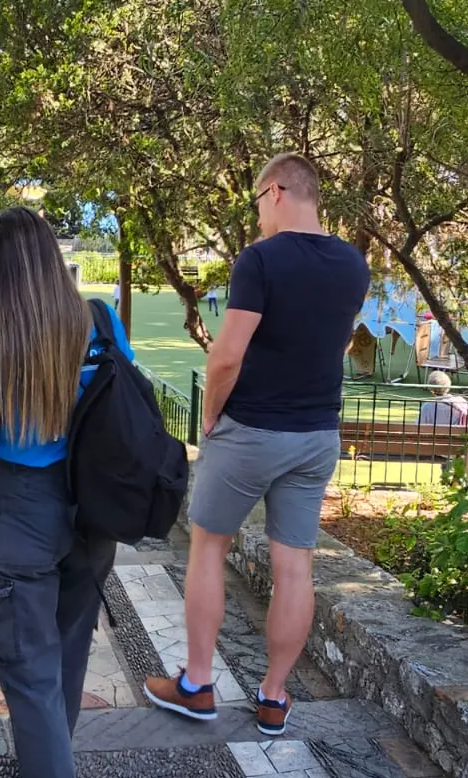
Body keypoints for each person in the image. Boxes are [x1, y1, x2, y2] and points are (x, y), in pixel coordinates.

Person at [143, 153, 370, 735]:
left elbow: (226, 354)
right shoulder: (353, 265)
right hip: (317, 436)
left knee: (208, 549)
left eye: (256, 203)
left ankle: (197, 684)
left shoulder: (261, 259)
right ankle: (273, 697)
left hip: (251, 432)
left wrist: (211, 418)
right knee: (294, 566)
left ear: (275, 192)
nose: (258, 216)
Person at [0, 206, 132, 778]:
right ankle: (50, 759)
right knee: (67, 654)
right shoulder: (102, 321)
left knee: (26, 665)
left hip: (24, 509)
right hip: (92, 508)